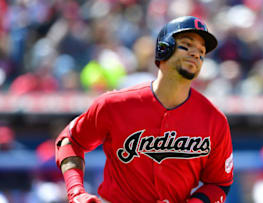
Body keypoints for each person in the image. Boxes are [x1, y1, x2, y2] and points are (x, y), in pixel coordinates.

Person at [55, 16, 234, 203]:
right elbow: (69, 140)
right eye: (187, 45)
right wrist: (76, 191)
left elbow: (219, 182)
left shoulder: (214, 120)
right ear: (164, 48)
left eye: (201, 51)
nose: (196, 54)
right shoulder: (116, 104)